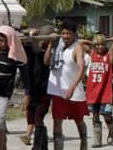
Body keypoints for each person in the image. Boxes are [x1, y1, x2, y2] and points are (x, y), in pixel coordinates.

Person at [45, 19, 88, 150]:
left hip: (74, 92)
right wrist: (50, 46)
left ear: (74, 34)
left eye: (68, 33)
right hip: (58, 91)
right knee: (57, 121)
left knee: (79, 120)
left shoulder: (77, 48)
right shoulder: (57, 46)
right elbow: (46, 61)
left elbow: (81, 69)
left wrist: (72, 87)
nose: (65, 36)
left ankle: (84, 142)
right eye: (63, 33)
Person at [79, 34, 113, 148]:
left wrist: (105, 39)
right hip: (93, 91)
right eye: (97, 45)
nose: (99, 47)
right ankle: (97, 140)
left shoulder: (109, 55)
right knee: (95, 116)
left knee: (106, 114)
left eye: (102, 44)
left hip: (106, 92)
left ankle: (112, 129)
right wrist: (92, 41)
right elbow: (79, 42)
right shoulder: (92, 54)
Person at [19, 26, 55, 150]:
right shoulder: (32, 50)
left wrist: (50, 44)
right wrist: (31, 34)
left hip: (44, 91)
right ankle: (42, 145)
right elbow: (25, 44)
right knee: (31, 118)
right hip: (32, 90)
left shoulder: (51, 50)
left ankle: (38, 146)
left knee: (38, 117)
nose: (41, 42)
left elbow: (46, 61)